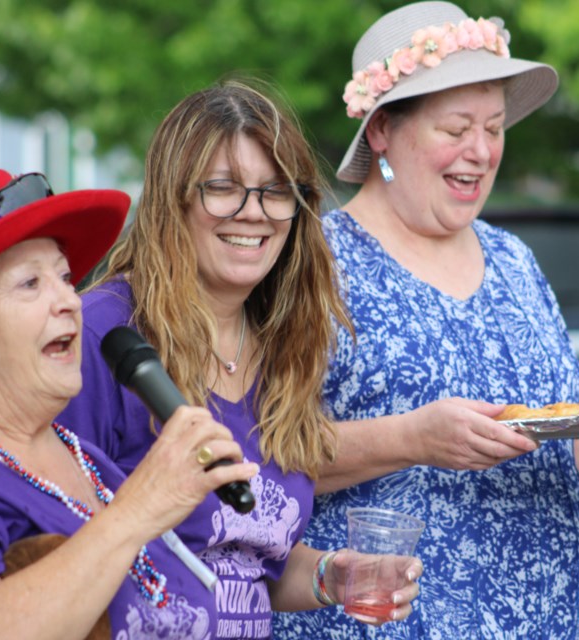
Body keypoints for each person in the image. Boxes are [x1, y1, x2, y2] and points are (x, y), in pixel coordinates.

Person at [273, 2, 579, 638]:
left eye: (494, 128)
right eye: (456, 127)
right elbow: (264, 452)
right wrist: (413, 438)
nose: (481, 150)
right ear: (383, 129)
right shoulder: (314, 264)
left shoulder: (514, 260)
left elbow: (555, 466)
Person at [56, 77, 422, 636]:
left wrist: (330, 576)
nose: (254, 212)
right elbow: (49, 547)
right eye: (223, 187)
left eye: (276, 191)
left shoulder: (285, 346)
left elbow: (244, 563)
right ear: (173, 196)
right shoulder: (104, 334)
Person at [0, 169, 262, 639]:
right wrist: (139, 508)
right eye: (30, 283)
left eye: (66, 277)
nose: (69, 300)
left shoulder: (87, 460)